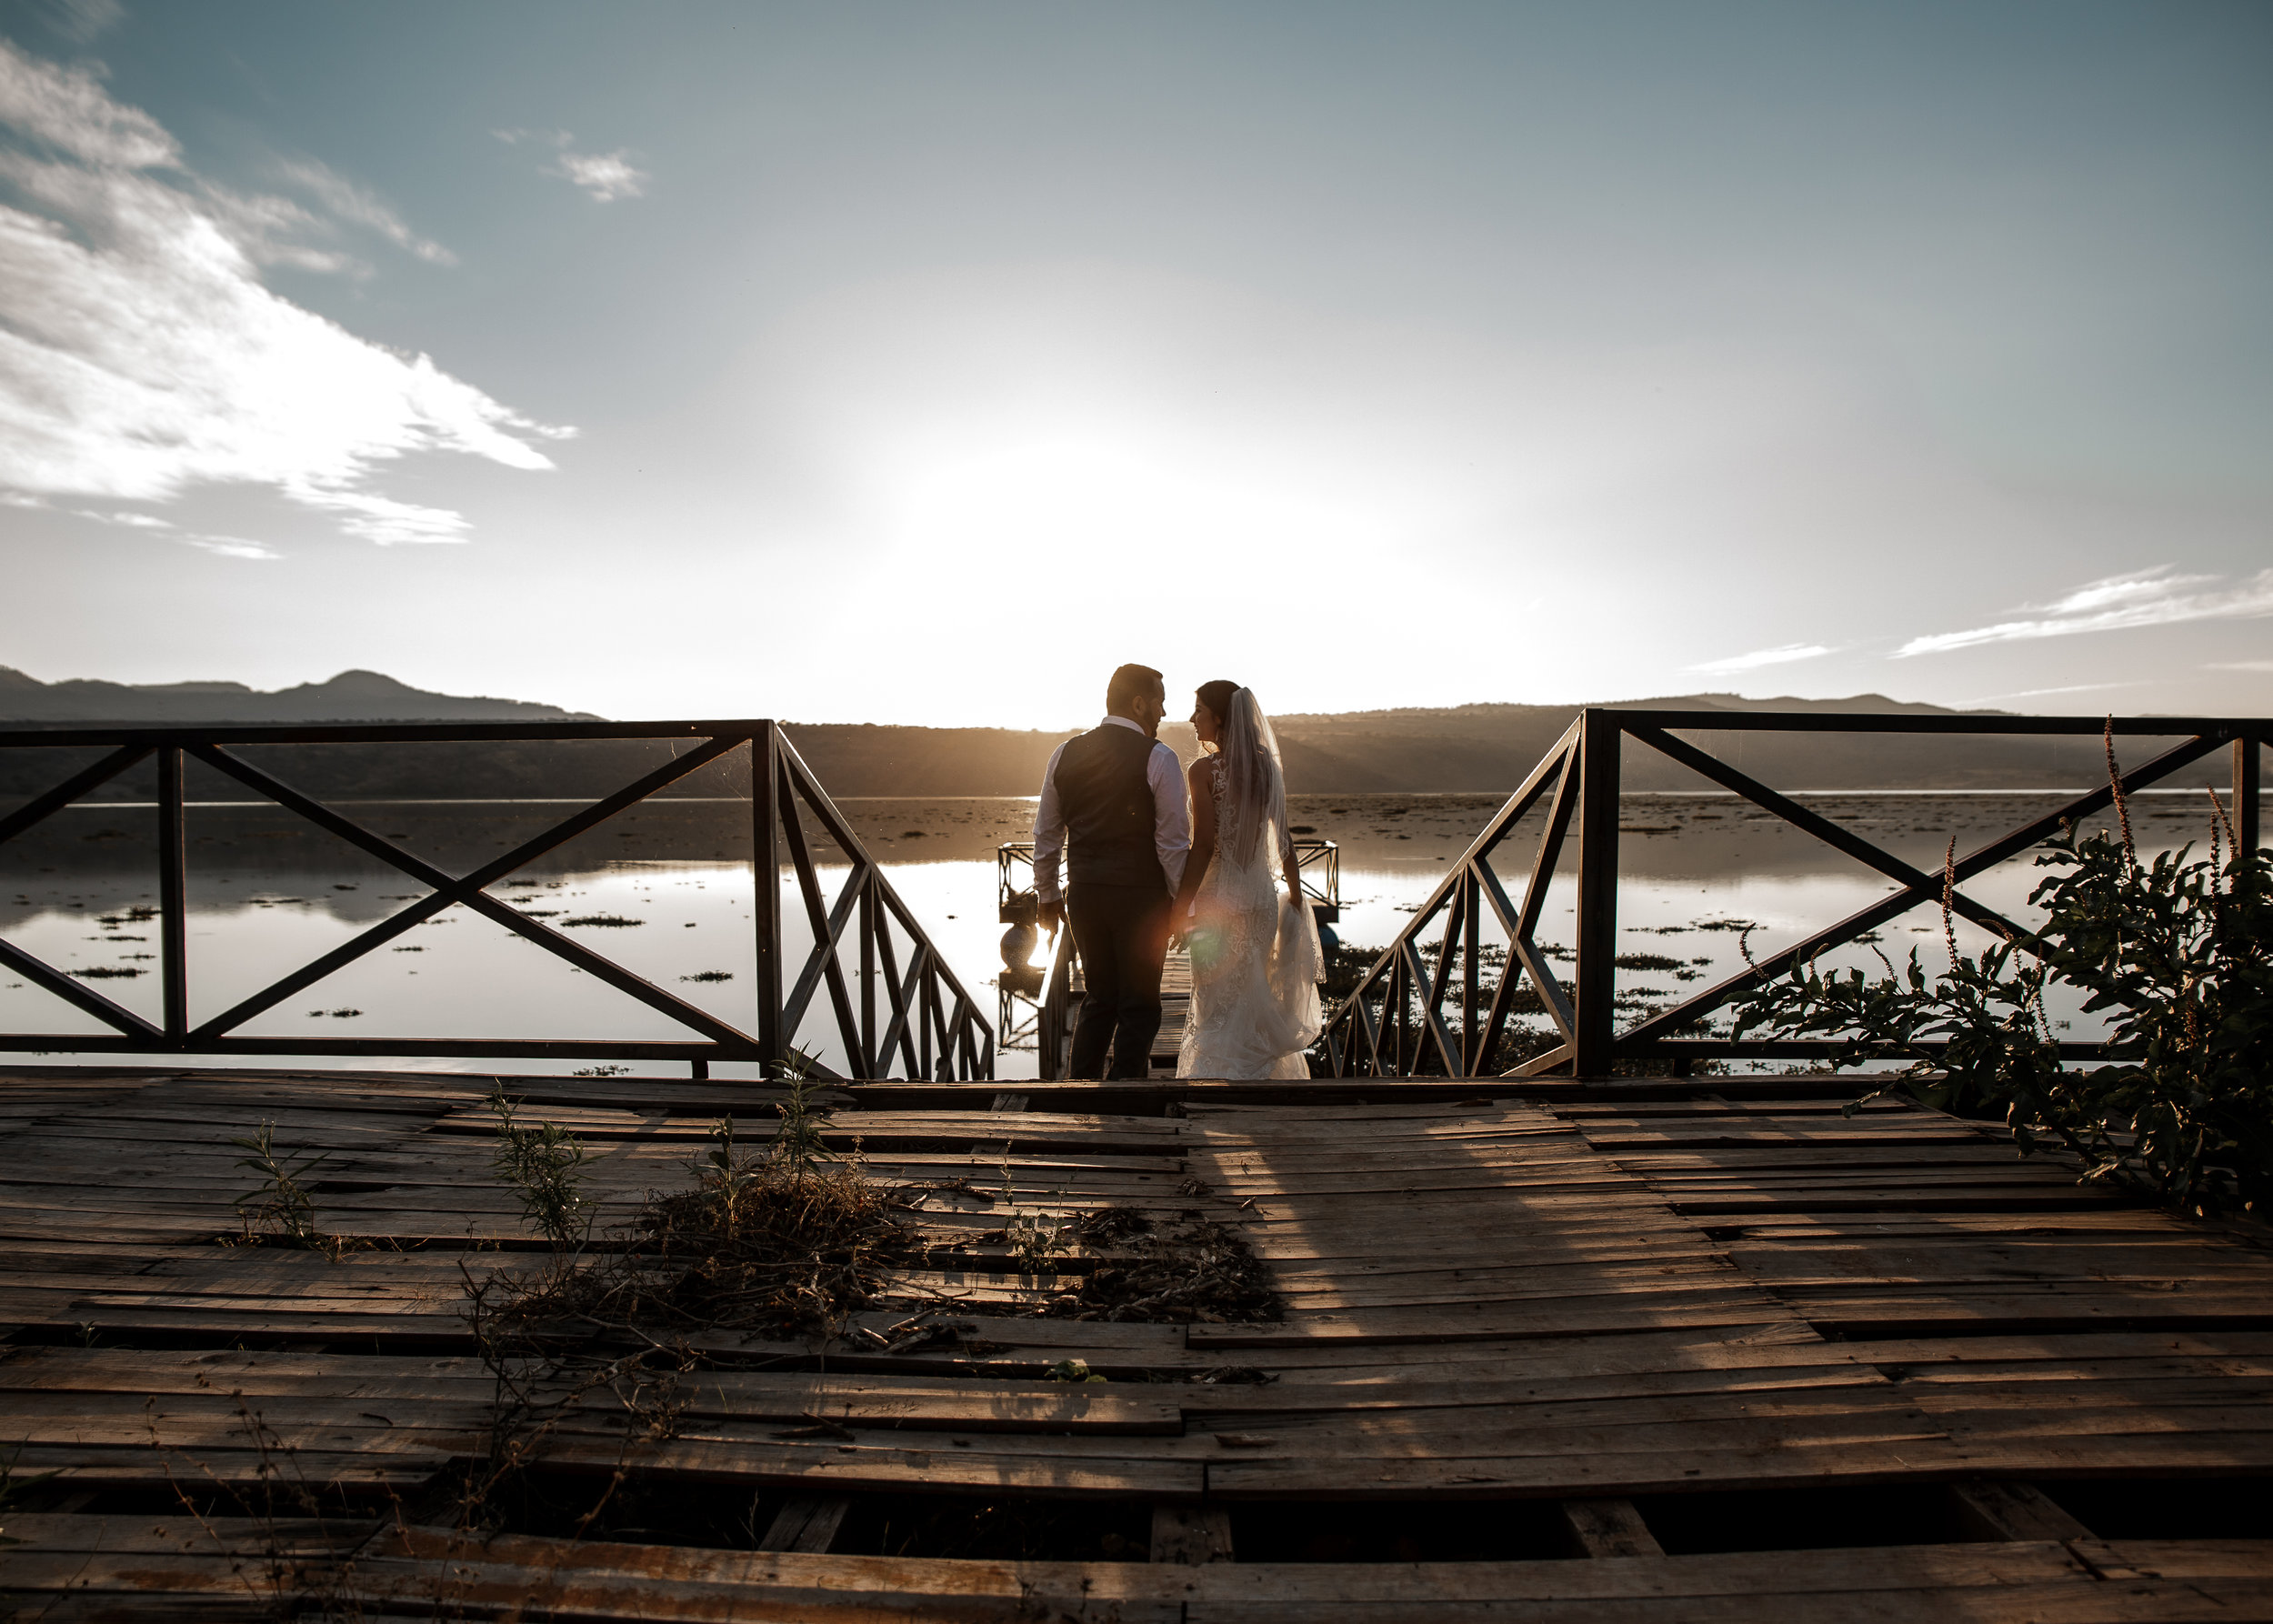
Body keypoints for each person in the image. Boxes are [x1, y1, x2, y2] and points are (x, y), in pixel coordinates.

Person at [1031, 664, 1191, 1079]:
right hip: (1142, 898)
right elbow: (1171, 843)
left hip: (1084, 894)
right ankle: (1127, 1100)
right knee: (1139, 1003)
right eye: (1159, 702)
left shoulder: (1064, 753)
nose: (1162, 712)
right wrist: (1182, 905)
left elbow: (1047, 833)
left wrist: (1047, 896)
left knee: (1099, 997)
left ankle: (1078, 1091)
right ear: (1139, 703)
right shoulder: (1160, 757)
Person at [1170, 681, 1325, 1078]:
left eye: (1199, 710)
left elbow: (1203, 846)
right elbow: (1285, 840)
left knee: (1216, 1002)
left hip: (1215, 907)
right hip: (1260, 902)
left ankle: (1217, 1081)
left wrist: (1180, 906)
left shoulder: (1203, 771)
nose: (1192, 718)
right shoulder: (1266, 768)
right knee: (1252, 1000)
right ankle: (1259, 1082)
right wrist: (1293, 894)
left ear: (1220, 717)